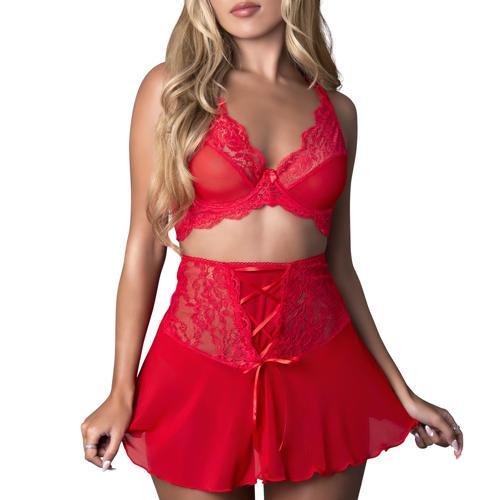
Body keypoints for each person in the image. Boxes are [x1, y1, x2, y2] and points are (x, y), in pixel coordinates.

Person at [80, 1, 463, 498]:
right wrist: (120, 389)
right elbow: (144, 246)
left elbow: (339, 267)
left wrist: (400, 390)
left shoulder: (338, 111)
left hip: (324, 369)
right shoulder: (171, 91)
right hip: (198, 369)